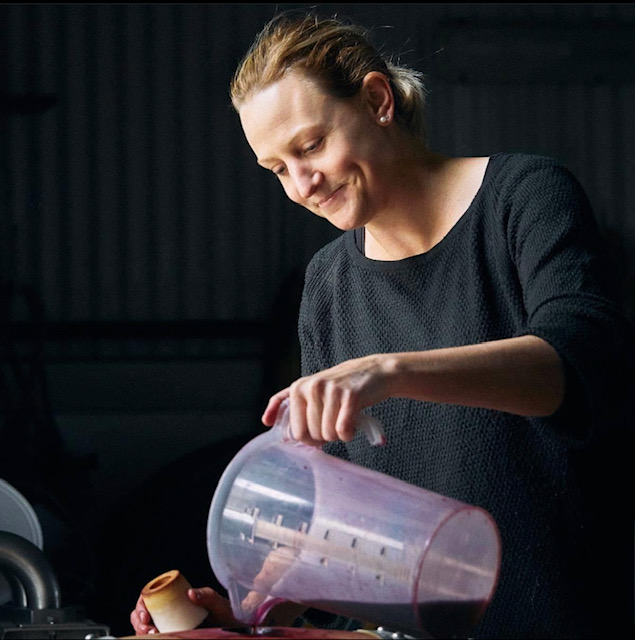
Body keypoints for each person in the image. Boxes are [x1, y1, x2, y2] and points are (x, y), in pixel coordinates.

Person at [131, 10, 633, 639]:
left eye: (310, 145)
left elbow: (578, 363)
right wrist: (255, 607)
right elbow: (338, 523)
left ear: (376, 100)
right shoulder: (329, 284)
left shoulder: (525, 195)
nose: (302, 184)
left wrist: (388, 370)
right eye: (277, 169)